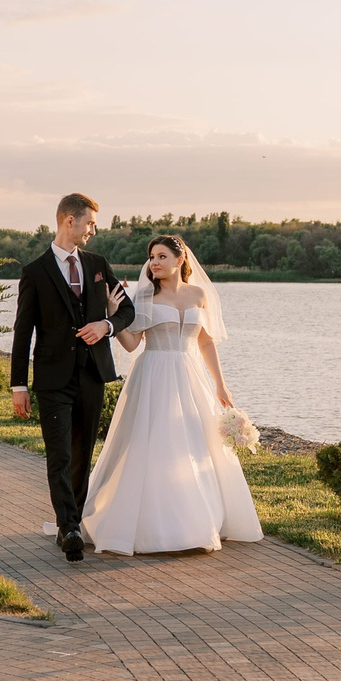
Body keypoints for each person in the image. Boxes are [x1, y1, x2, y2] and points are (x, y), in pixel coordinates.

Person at [80, 233, 263, 556]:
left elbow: (205, 342)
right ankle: (151, 526)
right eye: (152, 257)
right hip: (153, 375)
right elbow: (133, 344)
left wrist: (221, 384)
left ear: (180, 261)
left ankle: (198, 520)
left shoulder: (198, 295)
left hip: (190, 375)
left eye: (162, 256)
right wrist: (114, 314)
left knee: (194, 445)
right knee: (154, 444)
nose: (155, 262)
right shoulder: (145, 296)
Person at [11, 192, 138, 561]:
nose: (93, 231)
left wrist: (107, 325)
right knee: (60, 454)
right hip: (53, 378)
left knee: (83, 453)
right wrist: (19, 385)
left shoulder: (98, 264)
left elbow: (127, 310)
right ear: (70, 221)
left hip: (93, 375)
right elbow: (22, 333)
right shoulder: (35, 272)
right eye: (90, 224)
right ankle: (68, 528)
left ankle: (74, 519)